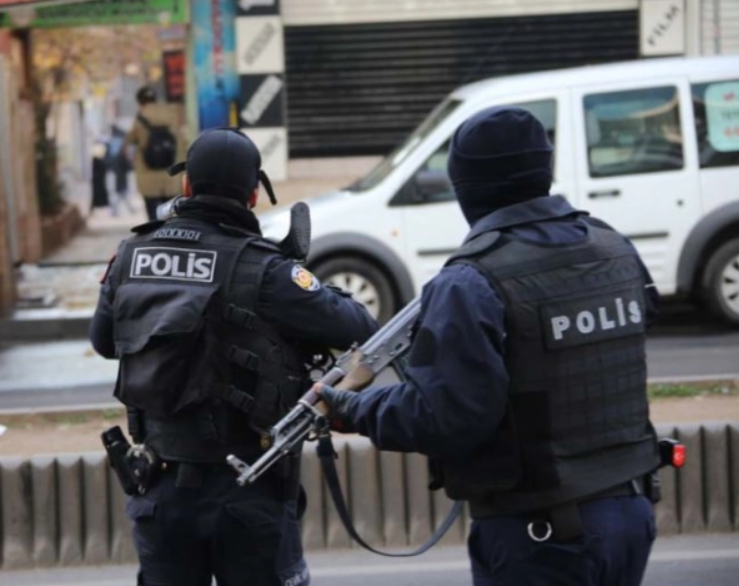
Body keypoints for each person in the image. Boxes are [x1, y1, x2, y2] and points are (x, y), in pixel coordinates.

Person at [315, 107, 662, 586]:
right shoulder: (614, 247)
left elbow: (445, 416)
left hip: (542, 534)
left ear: (467, 187)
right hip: (631, 515)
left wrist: (353, 408)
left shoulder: (470, 281)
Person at [90, 127, 378, 586]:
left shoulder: (129, 256)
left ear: (186, 185)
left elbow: (105, 342)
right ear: (253, 195)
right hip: (248, 490)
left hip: (159, 487)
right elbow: (360, 327)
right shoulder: (265, 269)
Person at [126, 86, 180, 221]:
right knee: (170, 213)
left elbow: (130, 139)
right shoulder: (171, 113)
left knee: (152, 213)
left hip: (148, 173)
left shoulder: (141, 117)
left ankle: (155, 230)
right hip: (169, 172)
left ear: (140, 101)